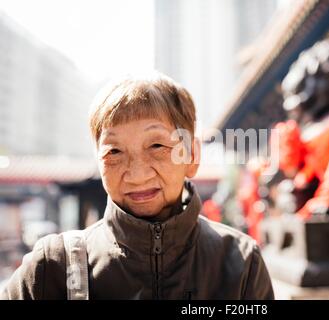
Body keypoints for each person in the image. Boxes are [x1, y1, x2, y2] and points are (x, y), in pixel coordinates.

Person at [0, 73, 274, 300]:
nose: (136, 174)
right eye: (114, 152)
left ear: (192, 156)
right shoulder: (53, 267)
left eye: (157, 146)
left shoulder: (240, 263)